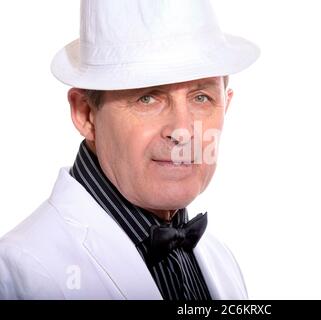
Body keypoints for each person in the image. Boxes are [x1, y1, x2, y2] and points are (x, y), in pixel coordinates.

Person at [0, 0, 259, 299]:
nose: (183, 131)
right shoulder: (19, 275)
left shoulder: (220, 258)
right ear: (86, 114)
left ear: (227, 105)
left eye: (201, 97)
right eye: (147, 98)